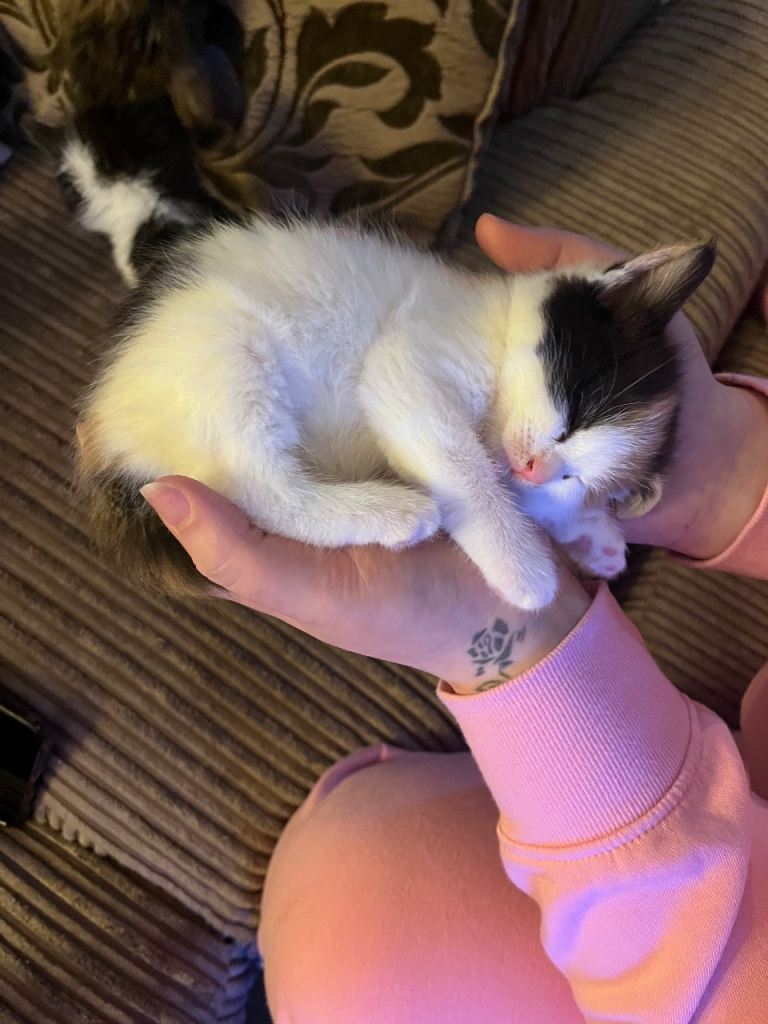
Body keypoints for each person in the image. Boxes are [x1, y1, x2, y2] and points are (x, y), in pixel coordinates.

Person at [139, 217, 768, 1023]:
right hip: (242, 346)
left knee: (349, 928)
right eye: (566, 428)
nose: (538, 466)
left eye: (570, 475)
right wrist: (728, 478)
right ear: (590, 301)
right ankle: (289, 501)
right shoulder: (476, 330)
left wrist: (524, 619)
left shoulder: (512, 384)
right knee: (346, 897)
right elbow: (410, 391)